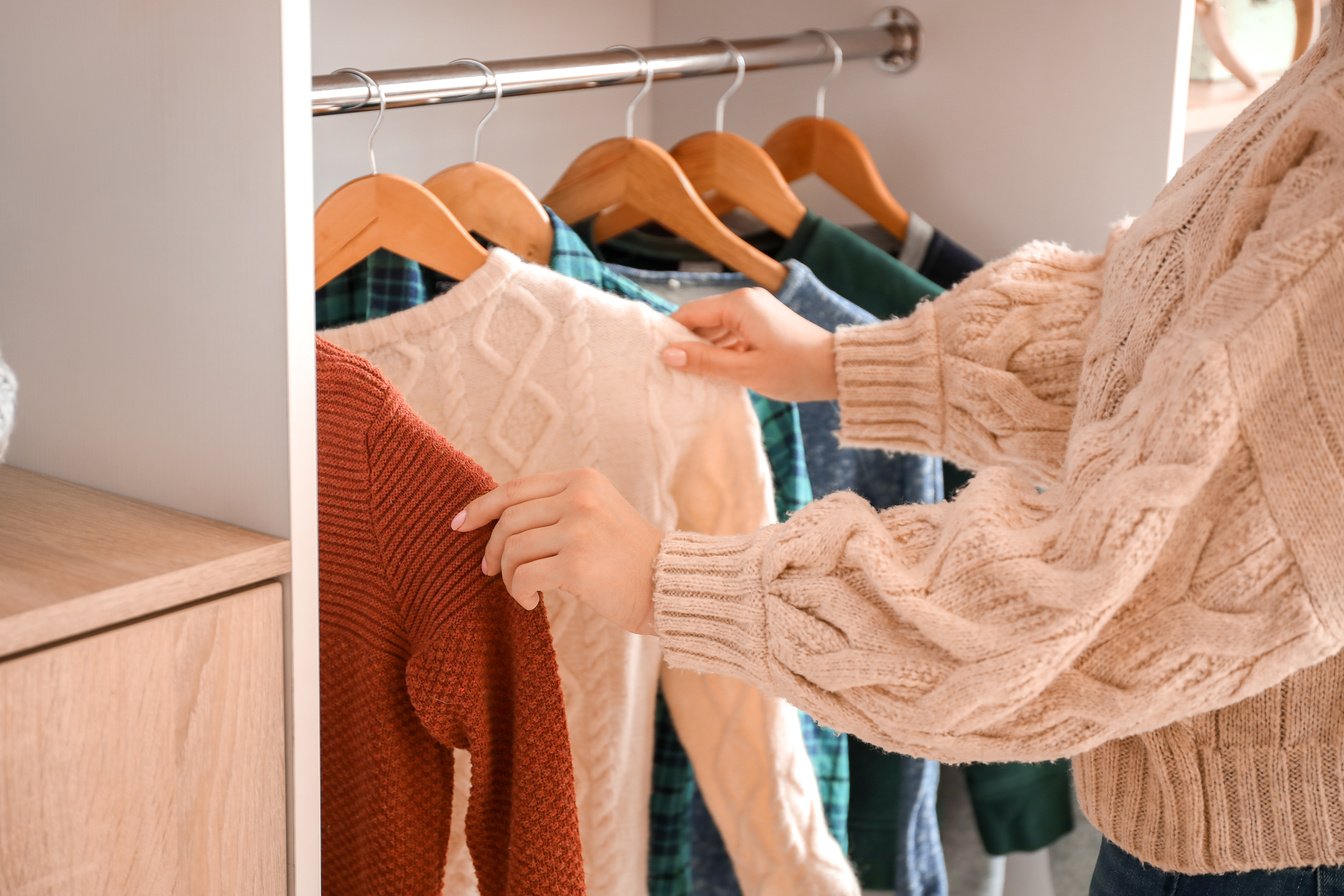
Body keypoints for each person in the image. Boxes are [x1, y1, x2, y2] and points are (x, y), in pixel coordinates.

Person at [452, 17, 1344, 896]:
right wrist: (848, 361)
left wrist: (671, 579)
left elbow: (1107, 589)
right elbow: (1171, 338)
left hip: (1275, 860)